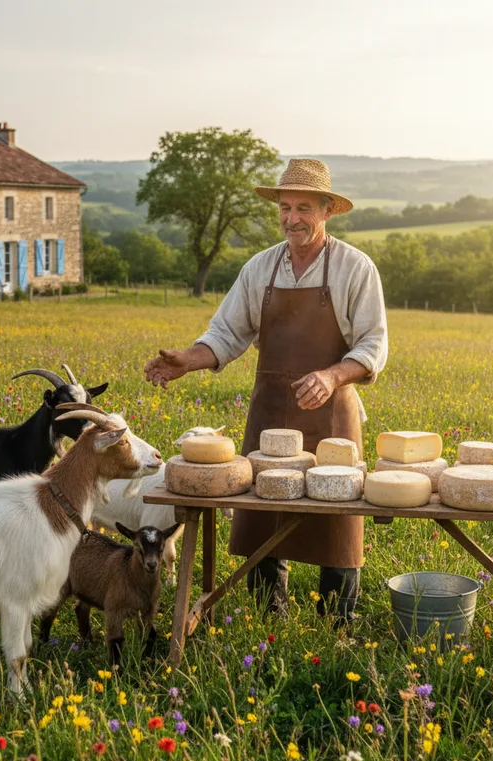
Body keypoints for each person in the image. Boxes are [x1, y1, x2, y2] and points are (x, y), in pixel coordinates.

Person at [144, 159, 388, 621]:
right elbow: (226, 334)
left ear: (327, 211)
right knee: (263, 516)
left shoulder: (355, 268)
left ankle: (335, 623)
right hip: (270, 412)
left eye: (303, 208)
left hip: (332, 418)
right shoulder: (260, 269)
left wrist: (332, 376)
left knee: (336, 522)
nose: (292, 217)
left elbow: (373, 343)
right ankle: (266, 621)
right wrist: (186, 362)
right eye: (285, 207)